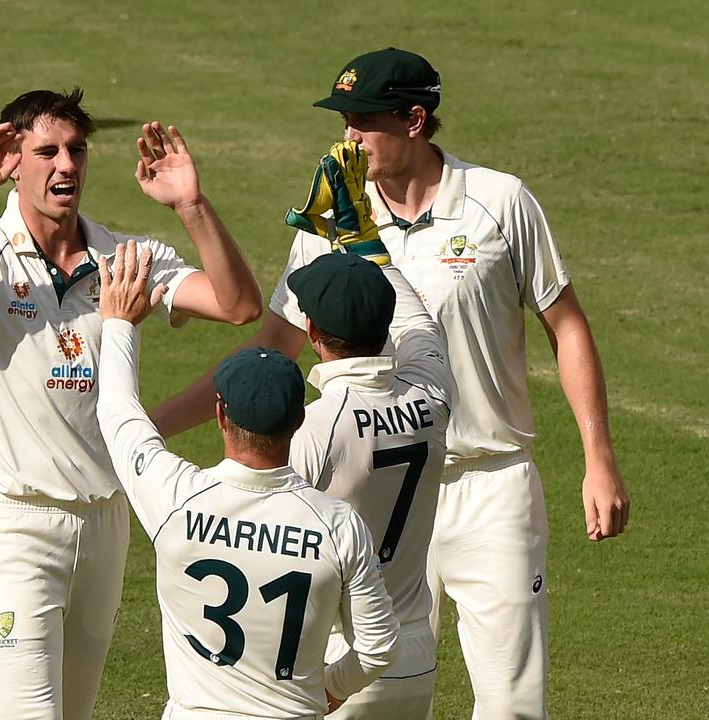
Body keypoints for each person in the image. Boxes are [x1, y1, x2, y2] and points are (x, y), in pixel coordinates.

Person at [153, 49, 630, 718]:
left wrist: (598, 459)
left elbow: (568, 326)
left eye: (362, 122)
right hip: (372, 493)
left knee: (514, 704)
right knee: (364, 699)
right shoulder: (327, 222)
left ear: (414, 119)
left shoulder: (500, 202)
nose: (347, 138)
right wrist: (153, 425)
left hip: (488, 486)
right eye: (344, 121)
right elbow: (270, 355)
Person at [0, 88, 262, 719]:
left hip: (104, 523)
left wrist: (192, 205)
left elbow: (237, 306)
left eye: (76, 150)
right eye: (47, 151)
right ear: (13, 161)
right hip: (13, 524)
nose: (66, 165)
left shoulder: (124, 258)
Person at [95, 240, 399, 719]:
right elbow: (379, 647)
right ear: (299, 419)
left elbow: (117, 413)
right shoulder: (339, 526)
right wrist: (329, 691)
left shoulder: (175, 498)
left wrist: (116, 323)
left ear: (220, 414)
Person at [285, 247, 452, 719]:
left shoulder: (313, 427)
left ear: (314, 333)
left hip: (342, 663)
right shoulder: (431, 398)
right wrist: (369, 245)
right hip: (416, 659)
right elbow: (422, 327)